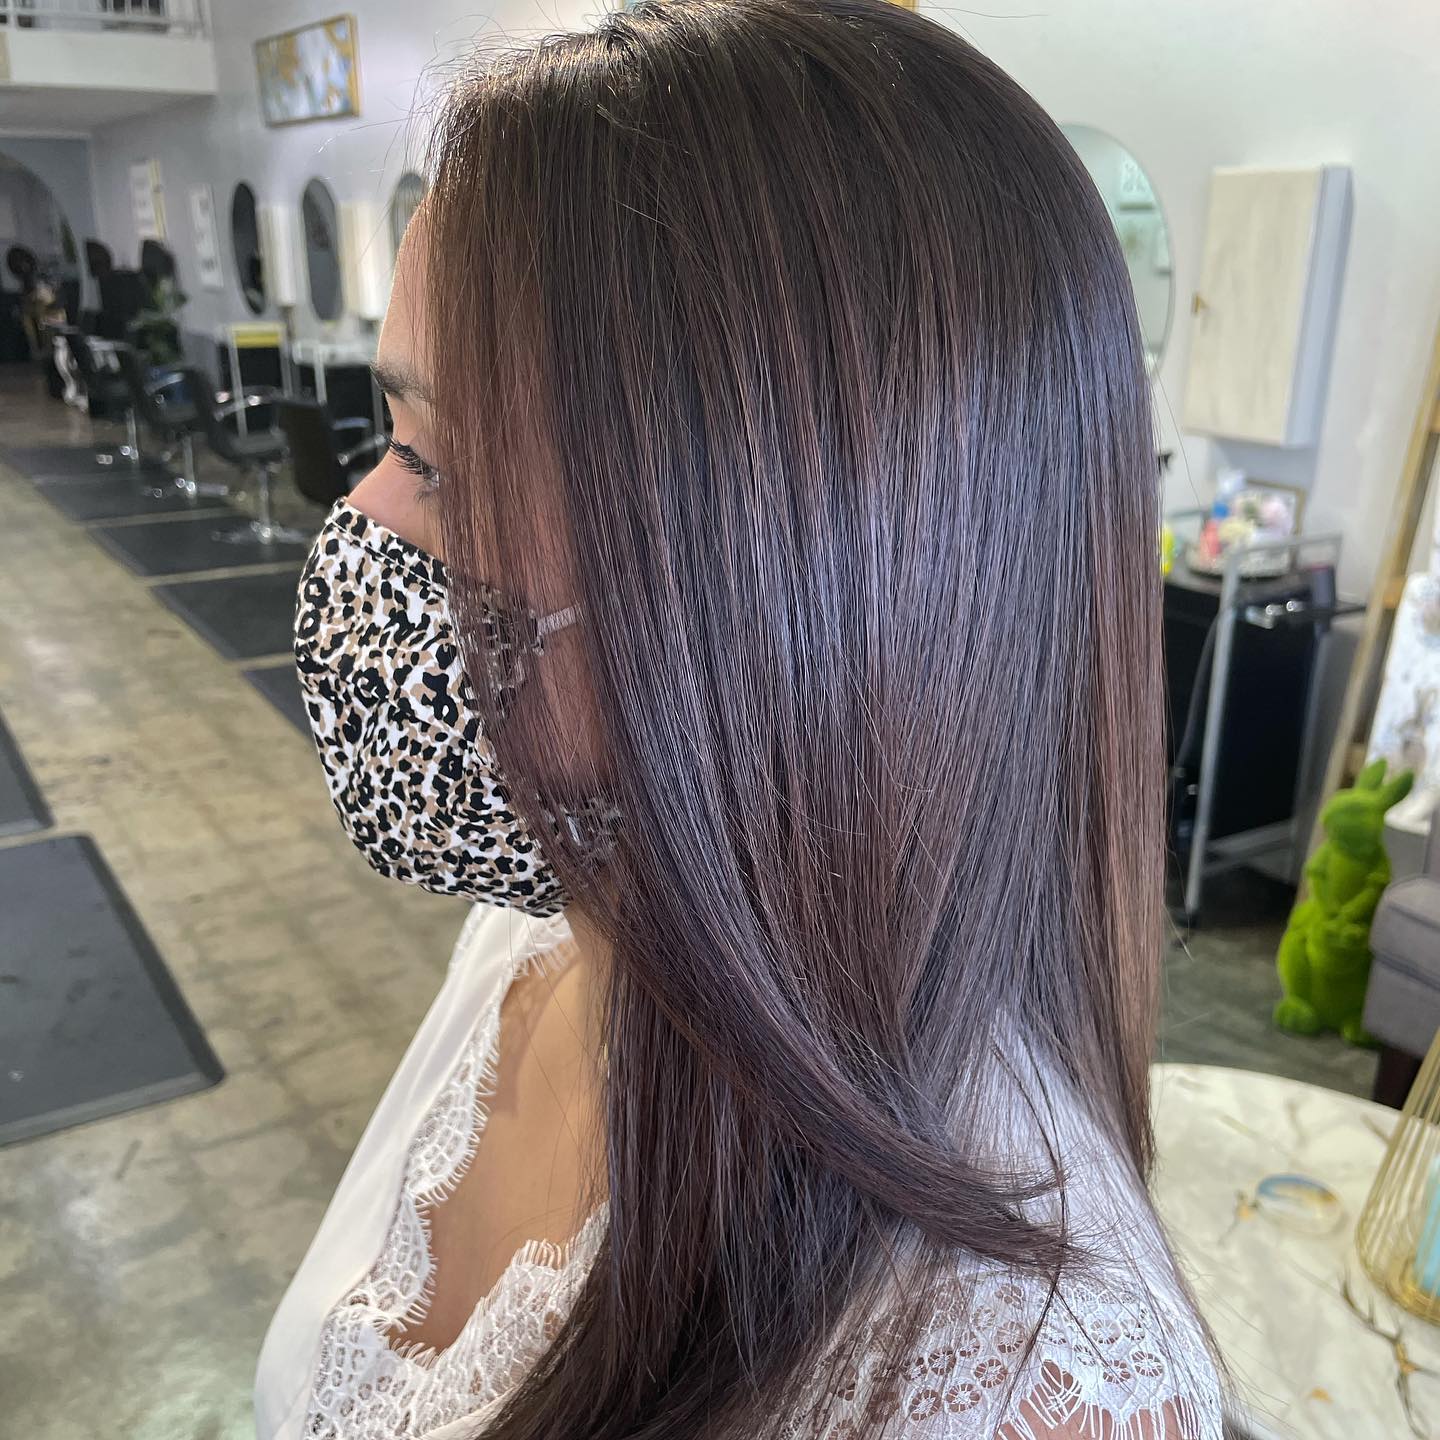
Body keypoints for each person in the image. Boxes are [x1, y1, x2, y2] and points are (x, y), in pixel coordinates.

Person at [258, 1, 1225, 1436]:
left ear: (778, 594)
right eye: (391, 439)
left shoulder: (1024, 1390)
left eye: (444, 468)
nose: (361, 522)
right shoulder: (549, 929)